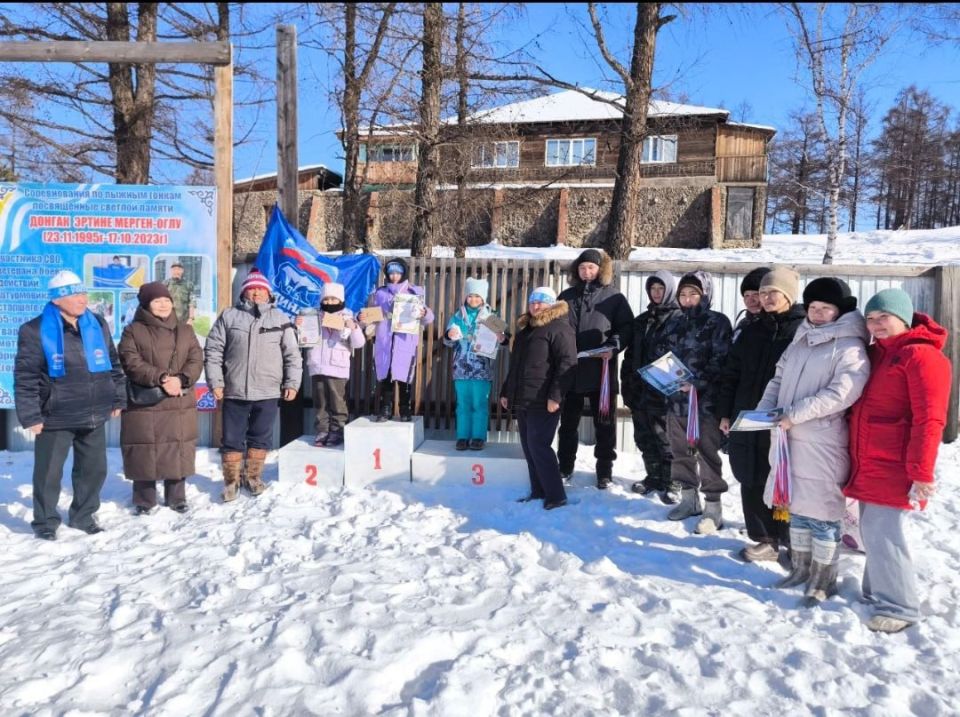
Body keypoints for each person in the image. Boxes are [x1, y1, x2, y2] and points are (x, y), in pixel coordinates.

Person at [756, 277, 870, 606]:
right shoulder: (801, 339)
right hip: (788, 436)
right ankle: (801, 568)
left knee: (822, 514)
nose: (817, 313)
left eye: (825, 308)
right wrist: (764, 411)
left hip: (822, 442)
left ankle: (824, 578)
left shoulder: (850, 346)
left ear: (840, 311)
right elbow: (778, 379)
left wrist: (794, 414)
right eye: (813, 307)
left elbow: (841, 393)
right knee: (798, 509)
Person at [844, 289, 952, 633]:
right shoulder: (878, 353)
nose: (876, 325)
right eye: (871, 318)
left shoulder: (922, 356)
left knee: (882, 530)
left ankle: (900, 607)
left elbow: (930, 419)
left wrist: (921, 472)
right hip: (870, 459)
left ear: (903, 319)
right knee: (871, 529)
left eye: (884, 317)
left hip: (896, 463)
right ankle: (876, 590)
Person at [14, 270, 126, 540]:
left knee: (93, 470)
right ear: (56, 299)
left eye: (83, 293)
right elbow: (26, 376)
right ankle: (45, 522)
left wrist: (118, 396)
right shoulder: (34, 330)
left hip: (94, 412)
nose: (82, 299)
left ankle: (83, 516)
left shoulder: (97, 323)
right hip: (56, 415)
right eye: (74, 294)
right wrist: (31, 415)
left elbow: (113, 363)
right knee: (49, 473)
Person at [718, 267, 806, 562]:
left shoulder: (802, 330)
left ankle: (793, 540)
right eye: (763, 292)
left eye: (773, 293)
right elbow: (730, 374)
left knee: (783, 475)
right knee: (751, 474)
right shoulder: (751, 331)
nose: (766, 298)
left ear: (789, 295)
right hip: (748, 416)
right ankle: (764, 538)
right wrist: (725, 413)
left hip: (786, 420)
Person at [204, 268, 302, 501]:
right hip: (234, 390)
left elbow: (292, 354)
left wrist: (292, 383)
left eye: (260, 289)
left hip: (268, 390)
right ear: (244, 292)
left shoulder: (280, 318)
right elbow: (213, 350)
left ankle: (253, 477)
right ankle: (231, 482)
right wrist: (216, 381)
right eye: (252, 289)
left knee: (260, 437)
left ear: (268, 293)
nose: (256, 293)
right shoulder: (229, 316)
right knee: (232, 439)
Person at [653, 270, 732, 534]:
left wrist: (697, 382)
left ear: (704, 295)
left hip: (705, 404)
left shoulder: (717, 322)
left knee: (707, 454)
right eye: (683, 294)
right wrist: (661, 376)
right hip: (676, 402)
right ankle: (689, 500)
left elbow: (722, 360)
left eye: (693, 294)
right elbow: (662, 354)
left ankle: (713, 508)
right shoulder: (674, 322)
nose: (687, 299)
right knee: (680, 452)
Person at [117, 281, 204, 515]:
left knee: (177, 447)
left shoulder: (185, 330)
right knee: (145, 449)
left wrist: (182, 379)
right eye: (157, 301)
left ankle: (177, 497)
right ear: (146, 305)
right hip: (147, 400)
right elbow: (130, 360)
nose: (163, 305)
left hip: (179, 399)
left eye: (167, 300)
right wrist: (162, 378)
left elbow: (196, 359)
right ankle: (144, 500)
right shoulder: (133, 330)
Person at [556, 248, 633, 489]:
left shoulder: (614, 298)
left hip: (601, 371)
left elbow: (626, 328)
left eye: (591, 267)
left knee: (605, 425)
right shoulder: (566, 297)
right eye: (582, 267)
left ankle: (604, 472)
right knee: (568, 424)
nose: (586, 271)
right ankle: (564, 467)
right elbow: (555, 327)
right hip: (571, 371)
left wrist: (614, 346)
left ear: (600, 269)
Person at [500, 287, 578, 510]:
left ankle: (556, 495)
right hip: (523, 398)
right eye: (533, 301)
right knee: (529, 447)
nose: (535, 306)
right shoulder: (526, 331)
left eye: (541, 302)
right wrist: (506, 391)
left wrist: (556, 396)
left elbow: (567, 364)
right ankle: (538, 491)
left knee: (539, 446)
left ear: (551, 304)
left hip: (544, 400)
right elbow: (516, 366)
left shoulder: (560, 328)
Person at [622, 270, 681, 501]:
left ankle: (673, 482)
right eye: (653, 289)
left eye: (661, 289)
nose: (656, 293)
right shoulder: (641, 320)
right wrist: (627, 385)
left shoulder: (679, 319)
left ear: (670, 290)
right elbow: (630, 356)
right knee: (644, 437)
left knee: (667, 439)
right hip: (640, 392)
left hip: (665, 392)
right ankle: (654, 476)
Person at [359, 258, 434, 422]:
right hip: (385, 341)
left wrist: (424, 313)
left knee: (404, 376)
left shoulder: (414, 292)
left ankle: (405, 408)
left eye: (397, 273)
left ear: (404, 273)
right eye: (391, 273)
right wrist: (362, 317)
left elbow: (429, 318)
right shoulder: (380, 293)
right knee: (386, 375)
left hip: (405, 340)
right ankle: (385, 408)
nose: (394, 276)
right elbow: (370, 314)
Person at [443, 277, 508, 451]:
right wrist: (449, 334)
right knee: (462, 404)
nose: (473, 299)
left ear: (483, 298)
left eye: (477, 296)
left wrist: (502, 338)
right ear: (465, 296)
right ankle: (462, 437)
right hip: (460, 368)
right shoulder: (457, 316)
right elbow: (447, 340)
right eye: (470, 295)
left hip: (482, 370)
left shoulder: (491, 316)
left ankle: (478, 437)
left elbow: (504, 342)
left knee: (479, 403)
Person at [299, 282, 365, 447]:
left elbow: (359, 344)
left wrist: (354, 328)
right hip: (317, 365)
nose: (329, 302)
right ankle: (322, 430)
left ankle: (337, 430)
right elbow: (302, 339)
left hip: (338, 367)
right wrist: (299, 326)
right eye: (326, 299)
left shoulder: (348, 317)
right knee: (320, 401)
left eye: (333, 299)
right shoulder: (313, 316)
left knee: (337, 401)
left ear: (340, 300)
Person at [731, 267, 772, 342]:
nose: (750, 300)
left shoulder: (776, 326)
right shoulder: (743, 324)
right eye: (746, 295)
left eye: (756, 294)